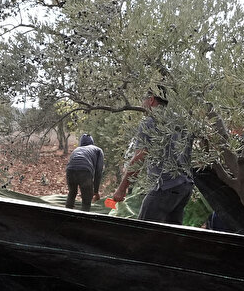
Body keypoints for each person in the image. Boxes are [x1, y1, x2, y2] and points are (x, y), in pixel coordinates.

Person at [112, 90, 194, 224]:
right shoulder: (181, 121)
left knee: (143, 232)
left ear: (151, 100)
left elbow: (140, 157)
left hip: (165, 186)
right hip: (184, 187)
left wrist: (122, 188)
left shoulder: (150, 122)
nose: (142, 104)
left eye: (143, 100)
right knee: (171, 236)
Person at [65, 134, 105, 211]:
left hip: (70, 170)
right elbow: (98, 172)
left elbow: (71, 163)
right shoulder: (98, 150)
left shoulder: (76, 150)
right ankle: (84, 218)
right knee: (87, 199)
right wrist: (95, 191)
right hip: (85, 171)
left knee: (72, 192)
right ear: (92, 142)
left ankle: (66, 214)